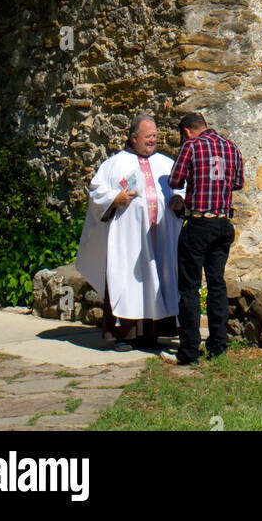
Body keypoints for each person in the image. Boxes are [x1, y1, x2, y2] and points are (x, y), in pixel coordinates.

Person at [75, 112, 185, 349]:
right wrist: (116, 197)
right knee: (127, 282)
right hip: (129, 241)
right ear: (134, 137)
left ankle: (154, 334)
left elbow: (183, 190)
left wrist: (179, 201)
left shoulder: (167, 164)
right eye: (147, 136)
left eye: (155, 136)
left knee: (159, 280)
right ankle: (125, 335)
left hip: (161, 239)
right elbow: (96, 193)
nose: (152, 141)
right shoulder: (114, 164)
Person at [162, 112, 244, 367]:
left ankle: (188, 350)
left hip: (198, 222)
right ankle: (218, 345)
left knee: (190, 287)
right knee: (217, 284)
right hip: (222, 223)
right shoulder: (231, 147)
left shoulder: (192, 146)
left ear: (187, 131)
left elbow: (175, 180)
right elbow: (238, 183)